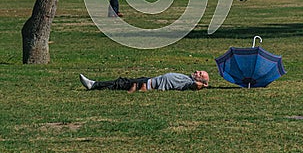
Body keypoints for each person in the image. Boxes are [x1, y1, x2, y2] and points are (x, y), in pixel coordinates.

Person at [79, 70, 210, 92]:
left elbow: (196, 86)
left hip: (148, 84)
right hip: (148, 80)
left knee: (122, 83)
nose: (197, 72)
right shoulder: (187, 77)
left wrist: (204, 84)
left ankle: (94, 85)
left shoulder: (189, 83)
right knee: (123, 82)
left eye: (200, 74)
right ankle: (98, 86)